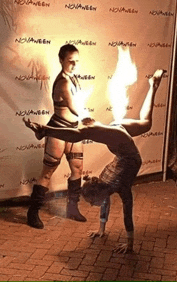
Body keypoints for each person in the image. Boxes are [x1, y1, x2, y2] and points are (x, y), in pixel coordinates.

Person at [23, 69, 164, 253]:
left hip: (123, 146)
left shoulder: (118, 185)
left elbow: (127, 214)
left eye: (92, 202)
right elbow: (106, 201)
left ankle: (46, 131)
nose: (92, 205)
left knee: (82, 134)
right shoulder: (107, 184)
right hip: (121, 145)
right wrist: (101, 230)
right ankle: (153, 85)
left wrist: (130, 245)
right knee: (145, 124)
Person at [27, 44, 89, 230]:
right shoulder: (63, 82)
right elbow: (73, 106)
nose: (75, 65)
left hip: (72, 130)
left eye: (77, 61)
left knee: (77, 168)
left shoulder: (73, 78)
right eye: (71, 62)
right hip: (59, 130)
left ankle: (72, 209)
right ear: (61, 60)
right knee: (47, 172)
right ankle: (33, 213)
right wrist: (88, 119)